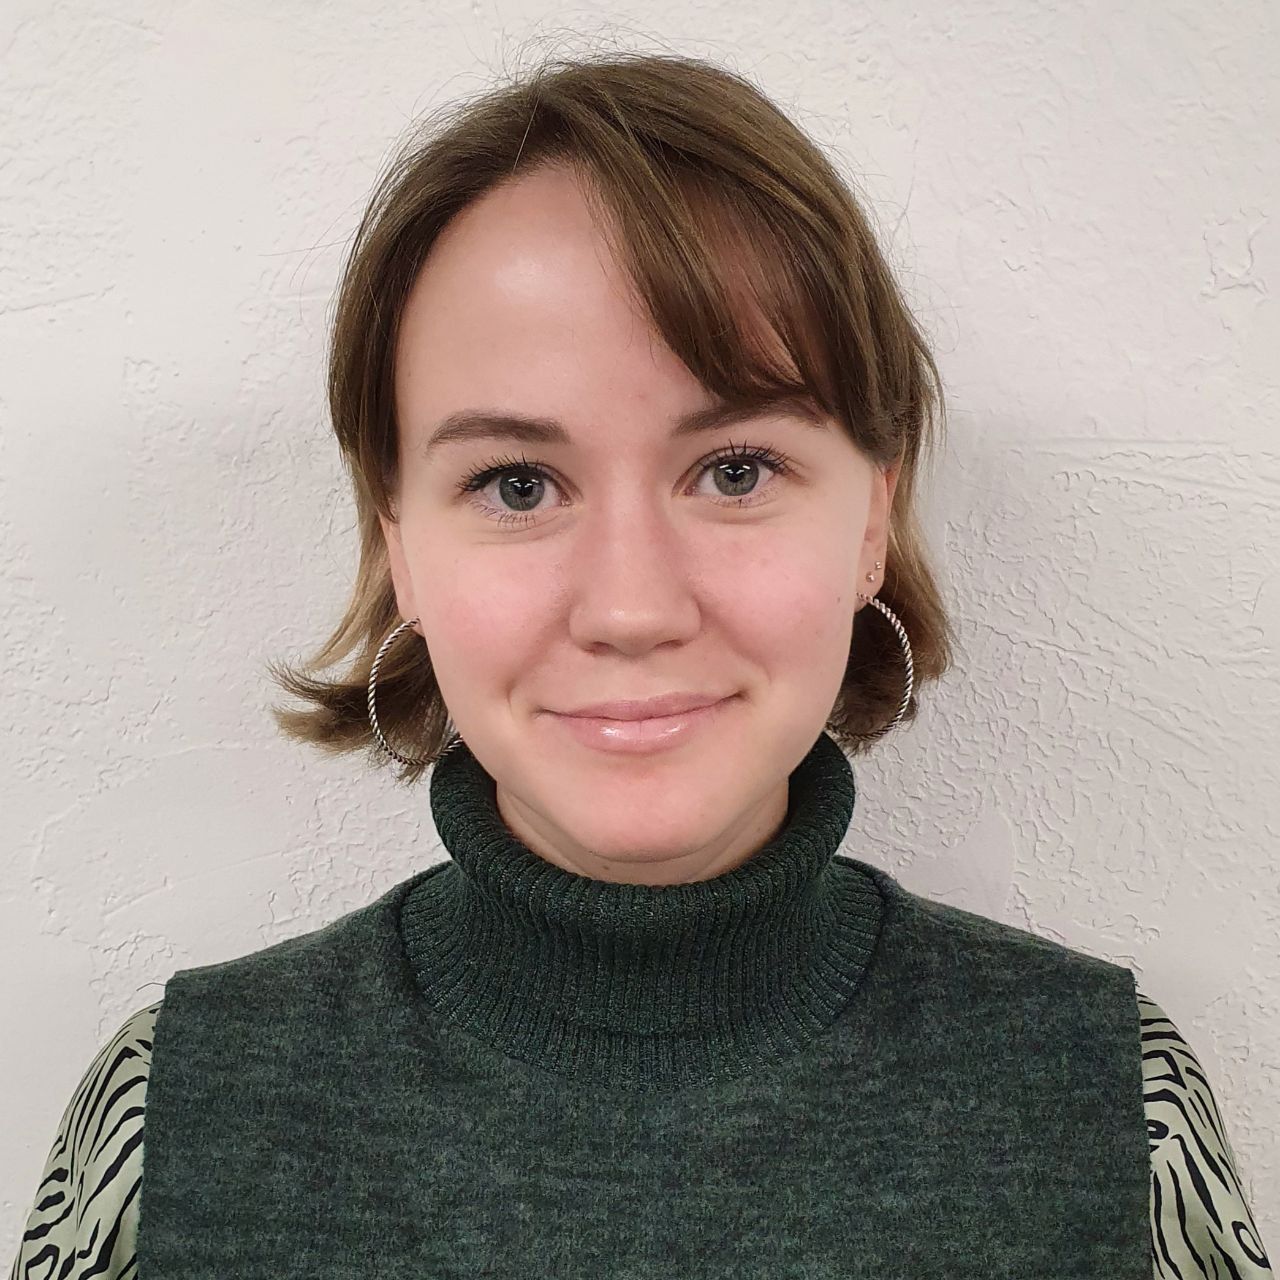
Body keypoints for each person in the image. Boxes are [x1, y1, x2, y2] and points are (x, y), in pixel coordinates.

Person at [8, 49, 1271, 1280]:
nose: (630, 606)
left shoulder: (1115, 1107)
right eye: (516, 483)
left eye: (734, 470)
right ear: (400, 546)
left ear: (871, 523)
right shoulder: (169, 1117)